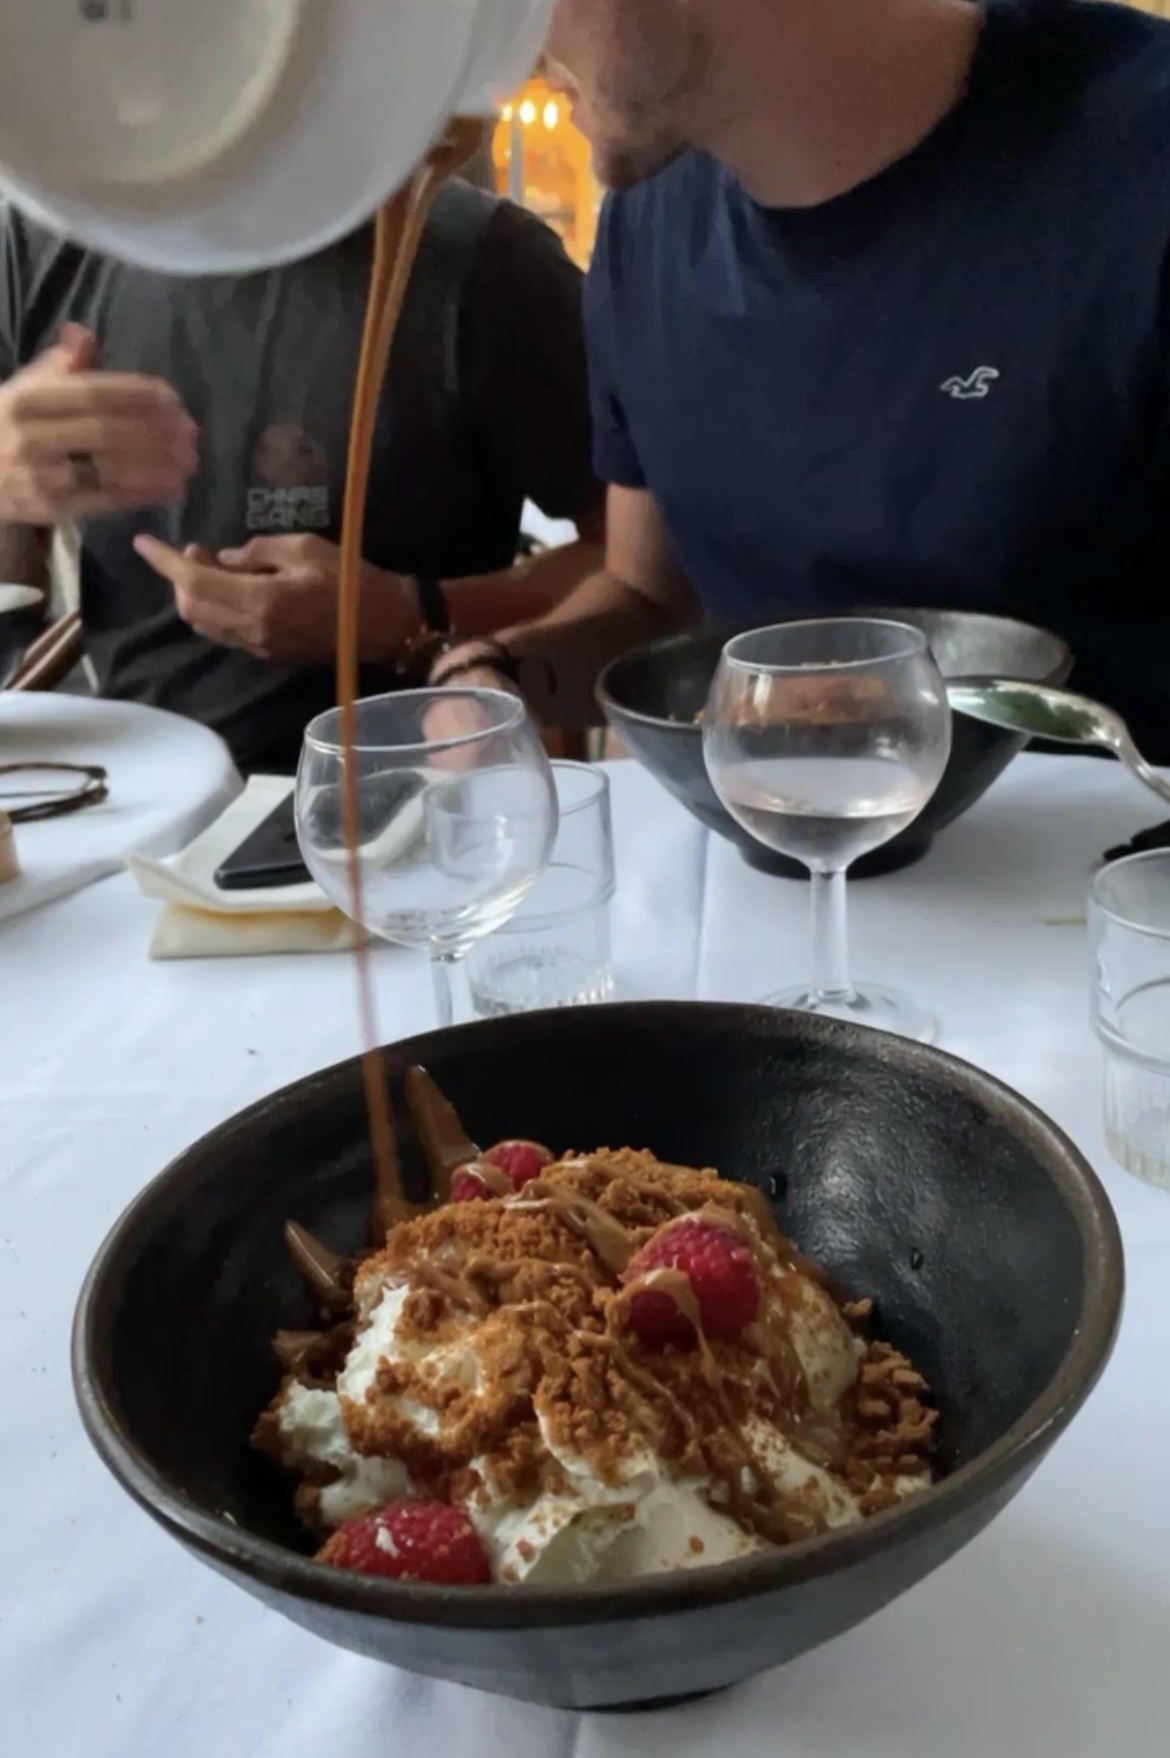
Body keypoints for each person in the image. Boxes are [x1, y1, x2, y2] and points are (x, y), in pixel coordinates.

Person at [430, 0, 1170, 763]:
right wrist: (494, 673)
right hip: (774, 827)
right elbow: (647, 600)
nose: (503, 47)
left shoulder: (1138, 165)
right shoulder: (642, 227)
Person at [0, 180, 603, 771]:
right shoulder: (38, 243)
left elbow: (639, 572)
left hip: (412, 786)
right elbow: (13, 590)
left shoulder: (487, 260)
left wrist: (407, 614)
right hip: (125, 789)